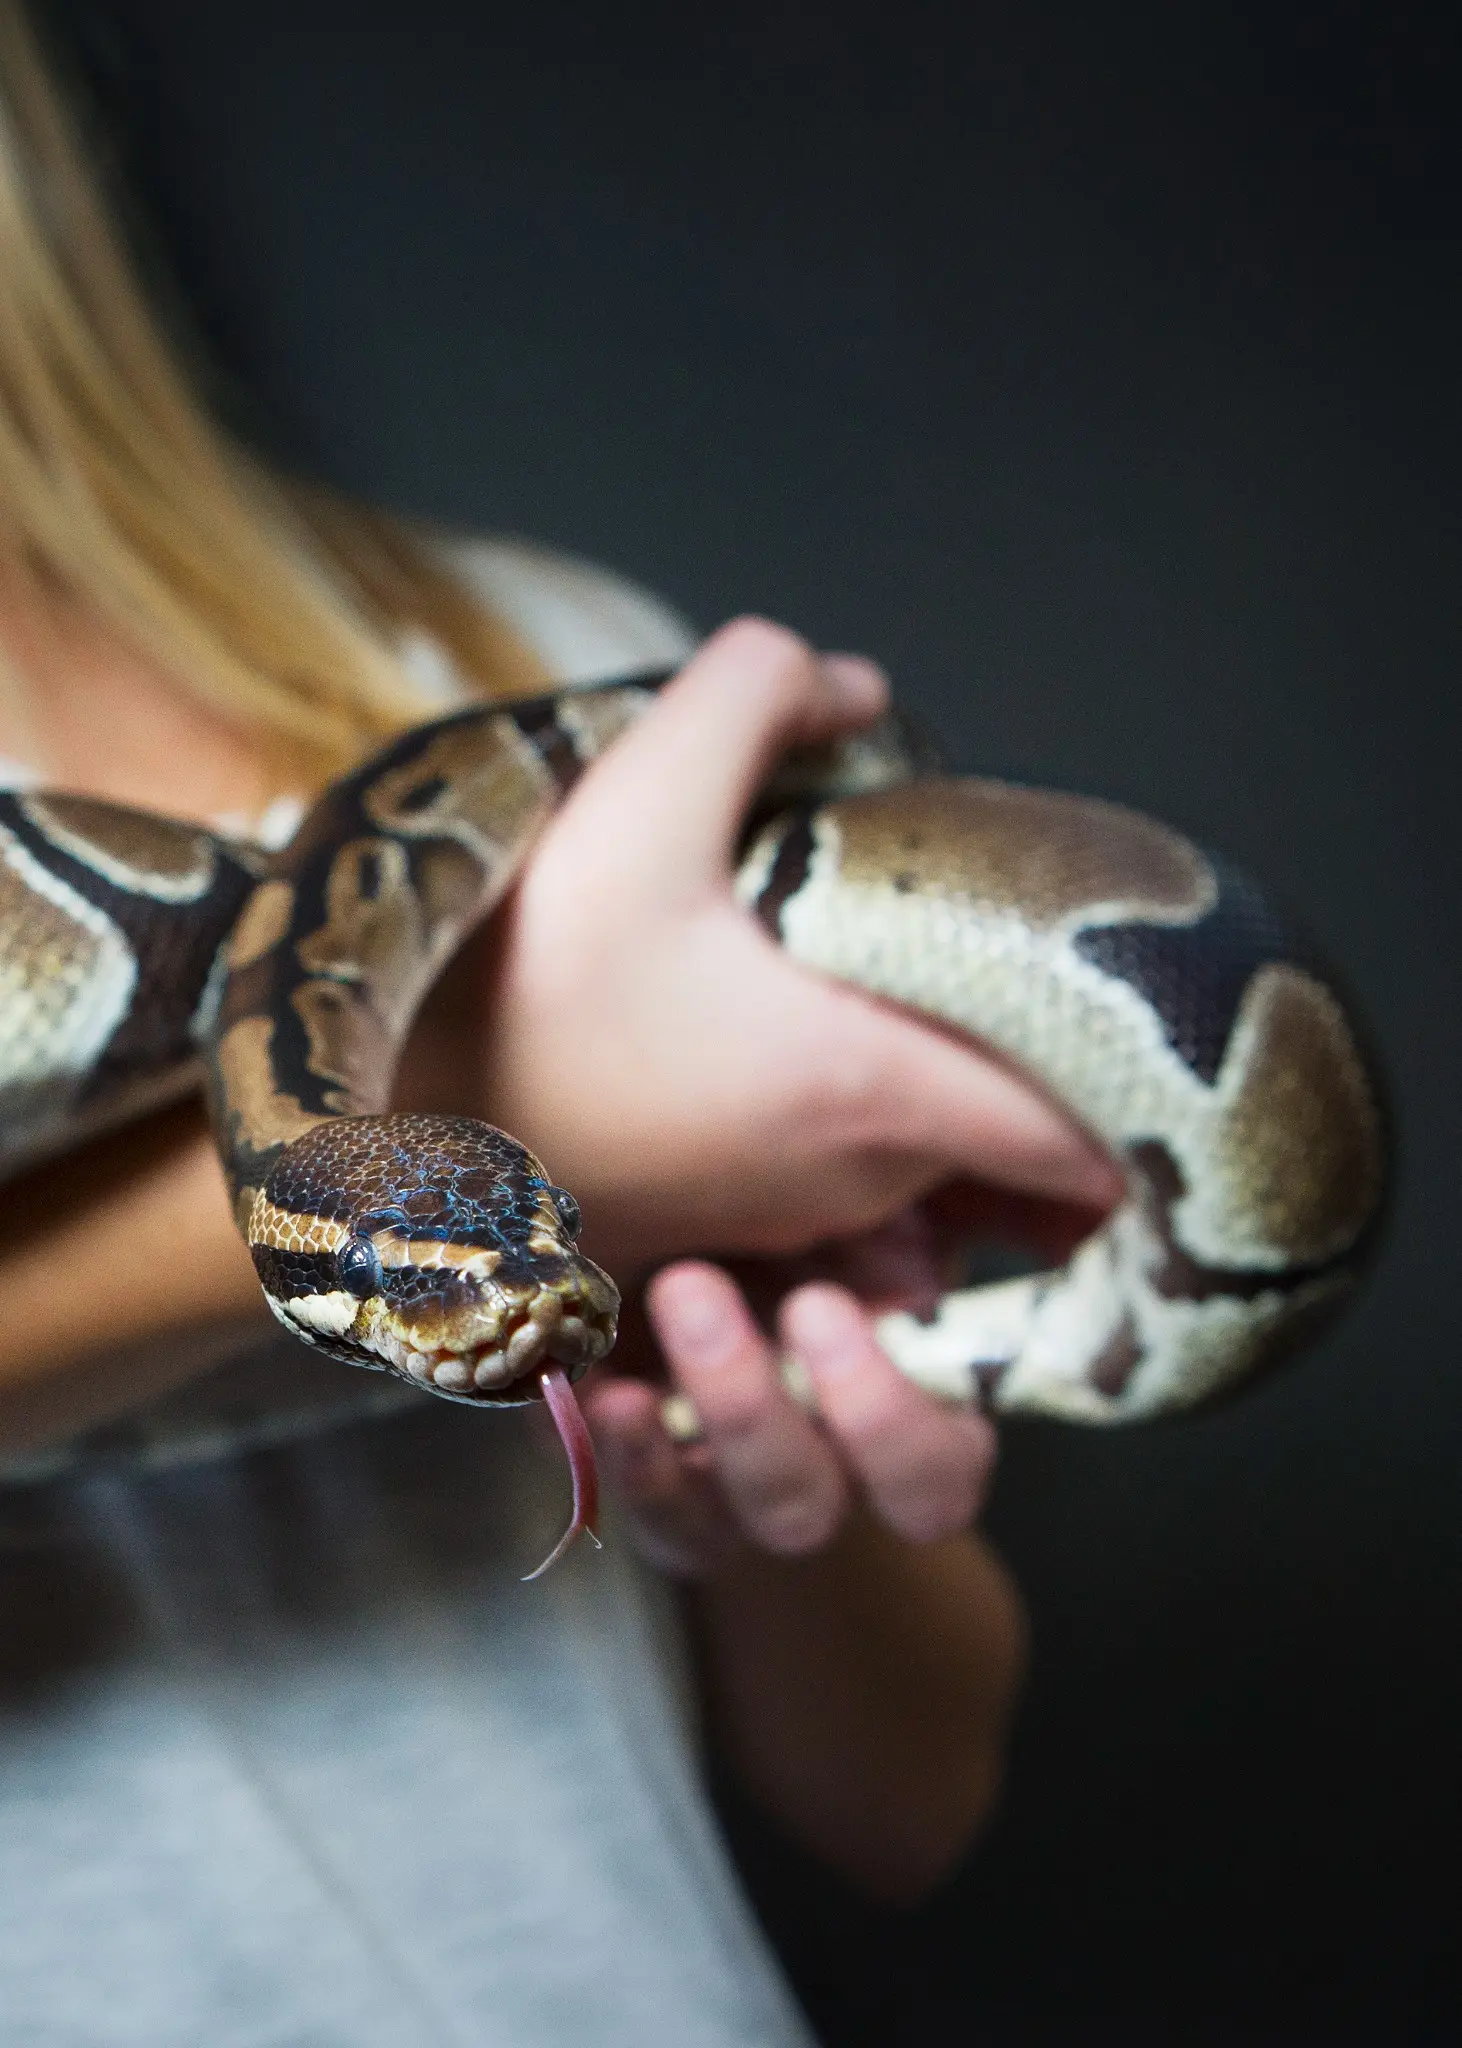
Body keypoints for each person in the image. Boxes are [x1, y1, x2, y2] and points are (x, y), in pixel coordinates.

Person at [0, 5, 1118, 2041]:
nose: (529, 1317)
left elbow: (905, 1795)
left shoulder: (567, 686)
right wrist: (544, 1112)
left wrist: (768, 1473)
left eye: (535, 1253)